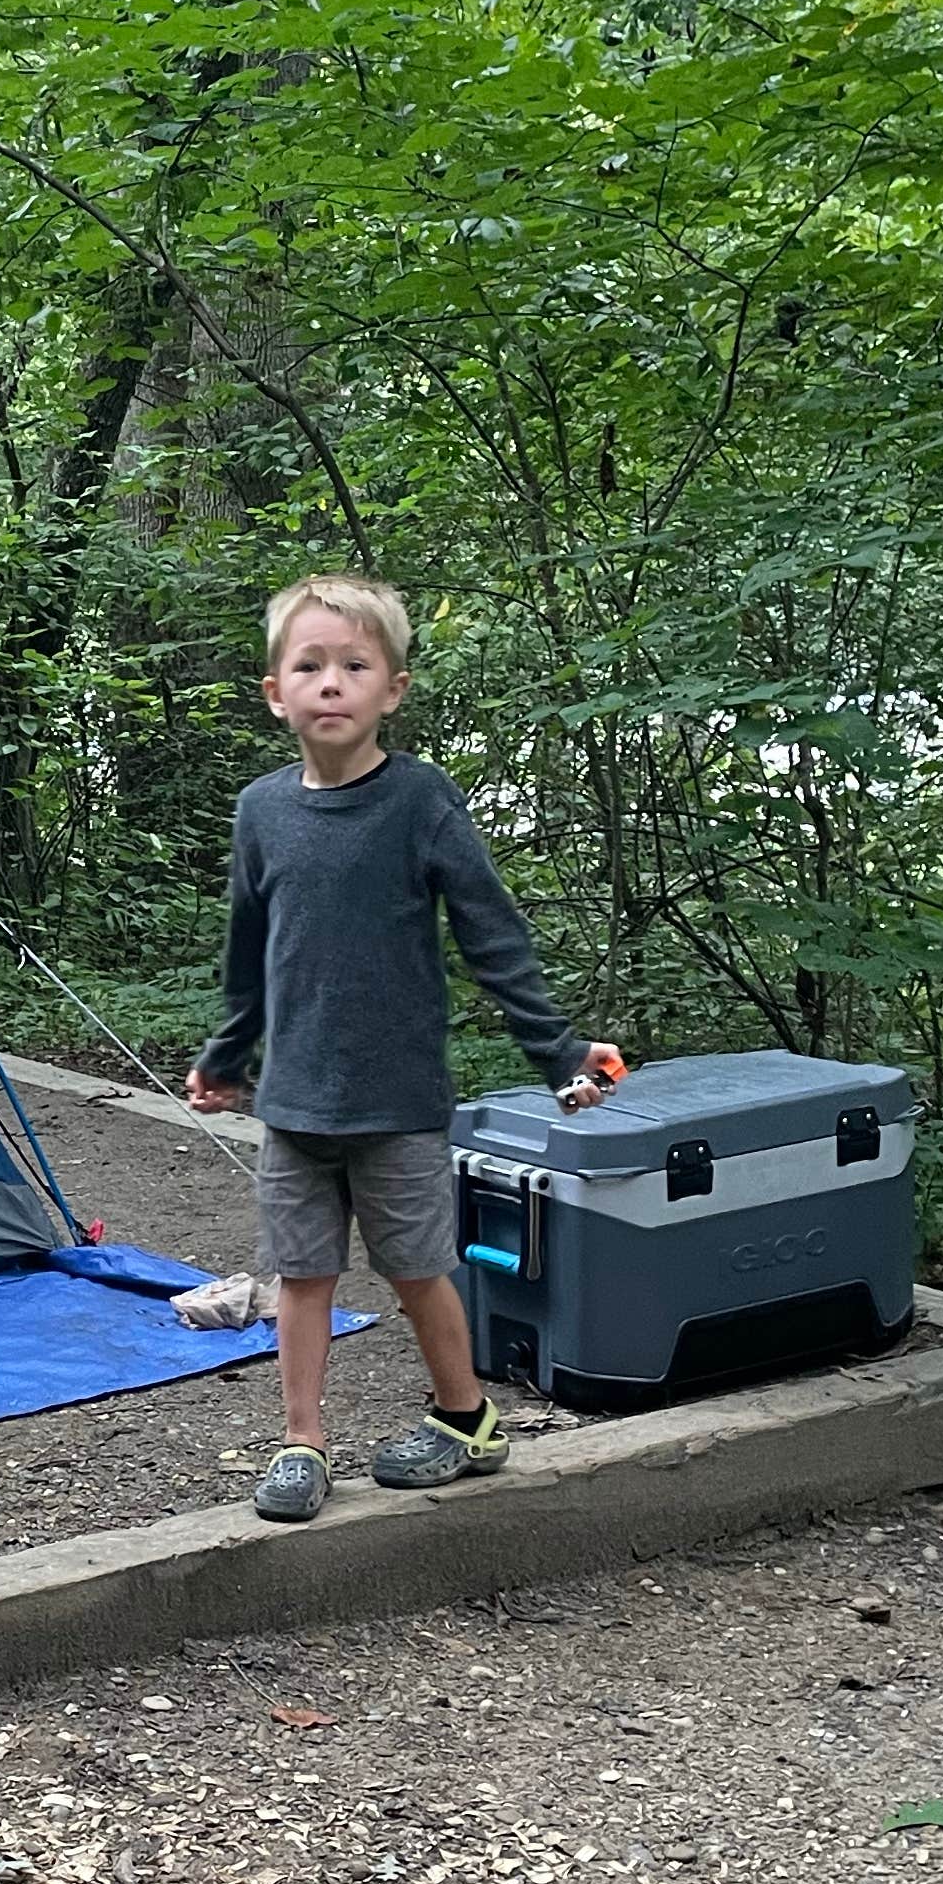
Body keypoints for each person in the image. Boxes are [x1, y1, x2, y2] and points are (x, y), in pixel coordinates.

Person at [184, 573, 623, 1522]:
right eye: (310, 665)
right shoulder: (262, 810)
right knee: (300, 1275)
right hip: (295, 1102)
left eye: (355, 665)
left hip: (397, 1102)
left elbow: (491, 932)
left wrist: (559, 1056)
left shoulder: (420, 800)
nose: (331, 682)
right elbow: (248, 949)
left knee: (417, 1266)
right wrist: (226, 1057)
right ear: (276, 692)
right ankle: (303, 1441)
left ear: (394, 688)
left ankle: (467, 1421)